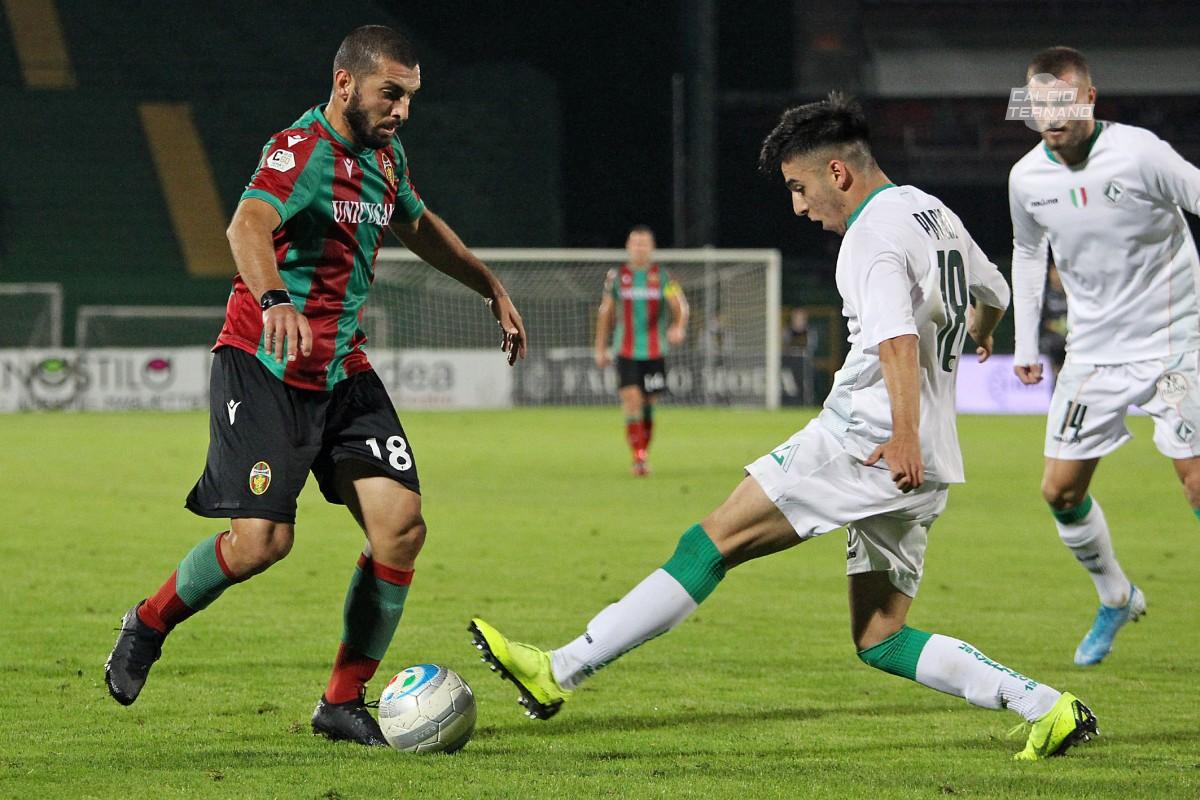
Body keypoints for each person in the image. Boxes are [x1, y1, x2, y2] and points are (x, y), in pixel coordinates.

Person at [469, 93, 1097, 761]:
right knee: (880, 636)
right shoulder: (929, 210)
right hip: (928, 461)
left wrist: (903, 434)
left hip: (867, 441)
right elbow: (993, 289)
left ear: (837, 172)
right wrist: (981, 333)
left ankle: (557, 670)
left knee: (708, 544)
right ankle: (1045, 705)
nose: (799, 206)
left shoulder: (869, 237)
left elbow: (897, 341)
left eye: (799, 188)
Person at [104, 25, 527, 747]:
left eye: (409, 97)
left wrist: (488, 285)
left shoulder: (386, 156)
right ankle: (147, 622)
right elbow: (247, 225)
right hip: (264, 364)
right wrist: (275, 300)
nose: (400, 110)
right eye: (390, 94)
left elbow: (419, 227)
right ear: (345, 84)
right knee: (261, 542)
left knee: (401, 527)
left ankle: (341, 700)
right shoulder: (300, 151)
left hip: (341, 369)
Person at [1009, 46, 1200, 666]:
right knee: (1060, 492)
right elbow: (1030, 253)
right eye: (1039, 106)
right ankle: (1116, 596)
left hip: (1175, 343)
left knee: (1196, 482)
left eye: (1062, 102)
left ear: (1089, 99)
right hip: (1093, 354)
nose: (1050, 116)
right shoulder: (1025, 179)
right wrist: (1026, 341)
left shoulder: (1139, 152)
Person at [593, 226, 688, 475]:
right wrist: (600, 348)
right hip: (625, 350)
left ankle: (643, 452)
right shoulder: (617, 277)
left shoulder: (663, 277)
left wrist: (678, 326)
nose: (639, 247)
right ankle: (639, 458)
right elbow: (605, 312)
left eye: (644, 243)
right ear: (628, 246)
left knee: (648, 403)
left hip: (655, 352)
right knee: (632, 399)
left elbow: (680, 305)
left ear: (652, 248)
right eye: (635, 243)